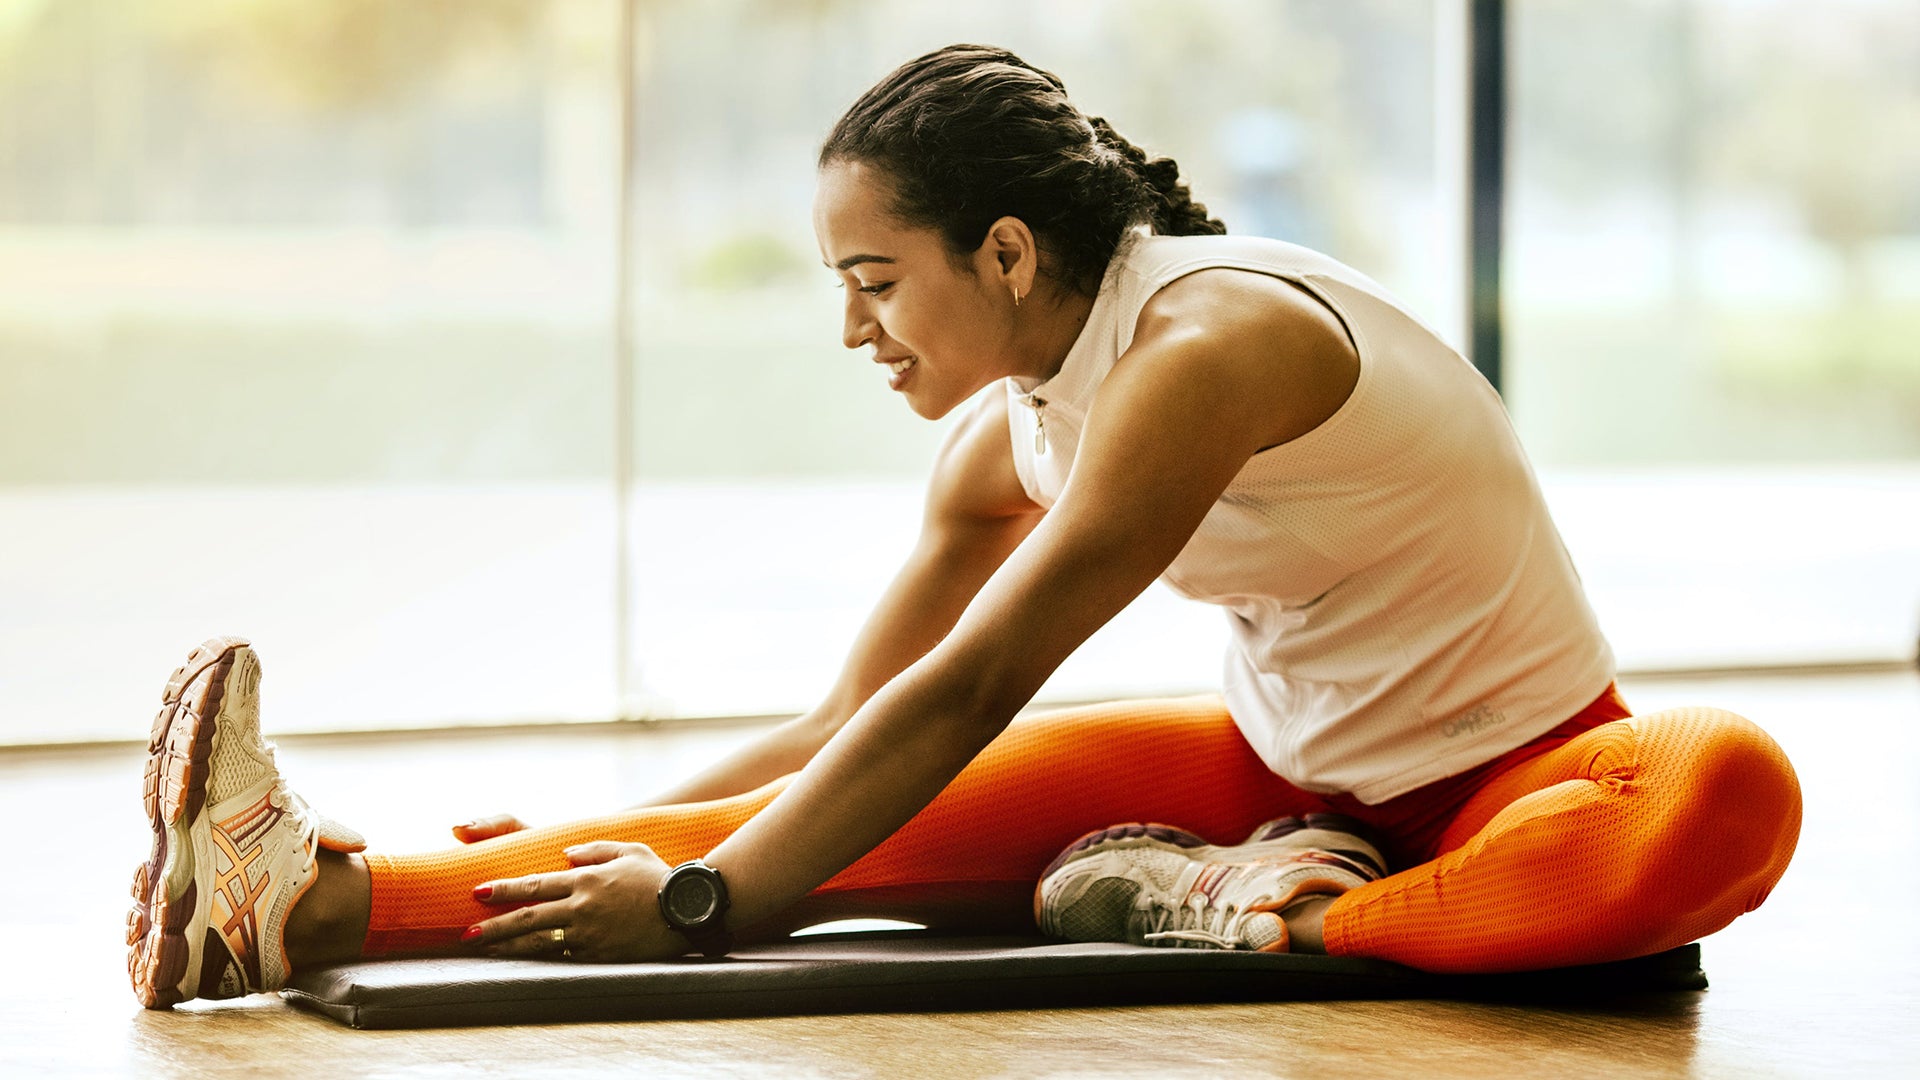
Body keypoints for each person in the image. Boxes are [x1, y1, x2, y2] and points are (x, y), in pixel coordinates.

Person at [126, 44, 1801, 1009]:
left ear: (1005, 252)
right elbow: (847, 733)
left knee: (1729, 788)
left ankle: (1264, 912)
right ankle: (286, 903)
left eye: (875, 282)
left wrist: (716, 907)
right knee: (809, 813)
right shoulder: (1008, 435)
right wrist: (609, 836)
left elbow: (983, 678)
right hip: (1284, 779)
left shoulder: (1210, 350)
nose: (856, 330)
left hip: (1527, 775)